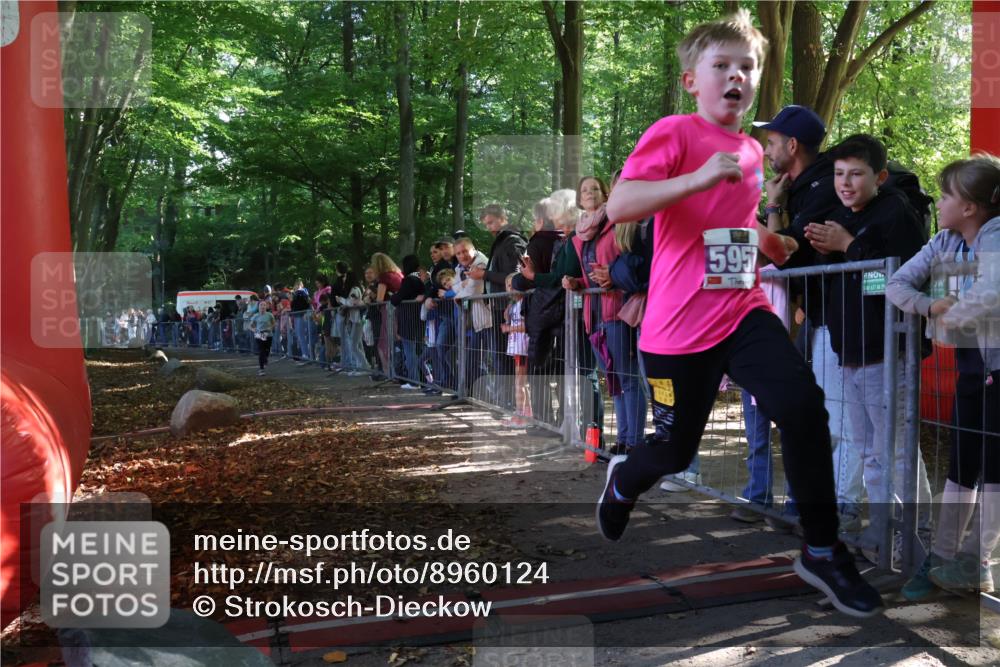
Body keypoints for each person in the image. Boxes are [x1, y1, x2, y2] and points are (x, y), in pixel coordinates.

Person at [599, 10, 882, 618]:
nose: (736, 76)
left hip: (741, 310)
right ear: (691, 81)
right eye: (721, 65)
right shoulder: (674, 133)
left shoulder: (752, 151)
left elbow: (727, 224)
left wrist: (763, 238)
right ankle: (624, 478)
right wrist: (696, 177)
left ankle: (822, 549)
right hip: (676, 329)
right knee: (674, 452)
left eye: (747, 67)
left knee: (803, 408)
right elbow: (620, 205)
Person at [805, 133, 932, 567]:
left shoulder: (896, 213)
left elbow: (894, 282)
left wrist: (848, 247)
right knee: (869, 450)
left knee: (896, 449)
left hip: (888, 350)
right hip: (851, 350)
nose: (845, 183)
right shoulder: (840, 216)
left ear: (879, 177)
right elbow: (841, 280)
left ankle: (914, 535)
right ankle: (883, 528)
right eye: (839, 174)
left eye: (856, 174)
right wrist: (828, 252)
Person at [886, 154, 1000, 598]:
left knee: (995, 468)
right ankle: (943, 556)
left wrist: (952, 316)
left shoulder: (997, 235)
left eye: (946, 195)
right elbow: (897, 284)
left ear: (969, 206)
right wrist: (929, 306)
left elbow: (993, 289)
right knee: (961, 463)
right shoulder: (943, 241)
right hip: (972, 366)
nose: (940, 201)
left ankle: (977, 560)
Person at [757, 105, 864, 529]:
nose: (767, 150)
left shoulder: (820, 188)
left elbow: (781, 253)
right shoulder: (802, 188)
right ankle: (815, 505)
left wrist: (771, 206)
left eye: (771, 142)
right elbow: (786, 249)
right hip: (820, 315)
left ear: (792, 145)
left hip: (845, 319)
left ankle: (841, 509)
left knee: (843, 419)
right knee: (823, 414)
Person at [468, 205, 528, 411]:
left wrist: (484, 275)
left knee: (509, 358)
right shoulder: (501, 242)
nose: (489, 227)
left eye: (492, 222)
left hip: (508, 307)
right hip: (499, 306)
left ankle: (511, 403)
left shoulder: (513, 242)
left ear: (503, 218)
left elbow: (515, 277)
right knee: (501, 356)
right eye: (486, 224)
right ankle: (506, 401)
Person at [390, 254, 427, 390]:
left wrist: (393, 296)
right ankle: (424, 379)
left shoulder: (409, 280)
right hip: (418, 320)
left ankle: (414, 381)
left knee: (409, 352)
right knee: (418, 350)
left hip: (408, 320)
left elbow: (397, 299)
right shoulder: (419, 280)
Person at [502, 273, 531, 427]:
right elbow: (510, 320)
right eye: (507, 286)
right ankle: (525, 412)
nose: (510, 289)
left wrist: (509, 328)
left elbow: (528, 325)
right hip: (516, 347)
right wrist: (507, 315)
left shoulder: (525, 303)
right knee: (520, 381)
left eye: (512, 285)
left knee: (520, 382)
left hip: (522, 346)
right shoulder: (514, 305)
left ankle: (522, 414)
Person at [371, 253, 404, 377]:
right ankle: (397, 372)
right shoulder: (398, 275)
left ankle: (389, 373)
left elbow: (380, 299)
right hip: (400, 310)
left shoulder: (384, 277)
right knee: (397, 339)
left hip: (388, 311)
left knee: (383, 344)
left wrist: (373, 297)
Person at [249, 300, 276, 376]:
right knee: (261, 350)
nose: (263, 306)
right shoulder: (256, 315)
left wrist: (271, 328)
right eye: (261, 305)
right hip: (259, 334)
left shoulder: (269, 315)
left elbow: (274, 323)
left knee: (267, 350)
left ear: (266, 307)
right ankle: (261, 369)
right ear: (258, 307)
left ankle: (265, 358)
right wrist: (253, 329)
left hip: (268, 334)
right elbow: (250, 326)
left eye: (264, 305)